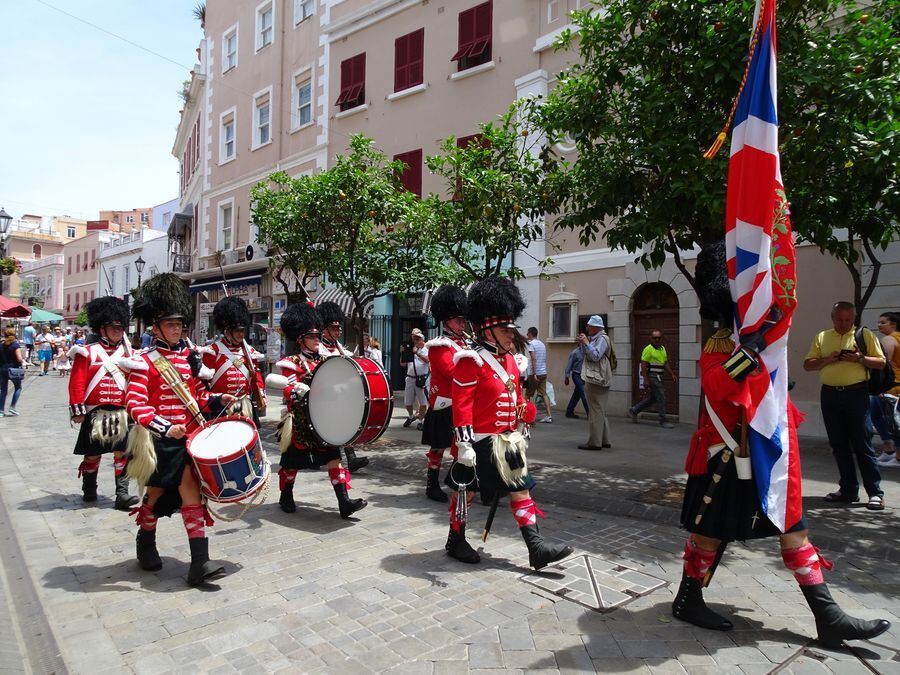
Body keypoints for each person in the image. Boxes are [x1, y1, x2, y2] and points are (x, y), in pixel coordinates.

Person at [674, 242, 889, 648]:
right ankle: (687, 599)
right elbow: (718, 384)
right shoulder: (720, 343)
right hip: (729, 457)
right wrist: (751, 352)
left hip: (763, 456)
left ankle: (828, 617)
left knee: (794, 530)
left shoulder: (759, 344)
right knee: (710, 537)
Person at [444, 276, 573, 569]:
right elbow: (461, 407)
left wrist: (523, 414)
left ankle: (536, 547)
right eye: (504, 329)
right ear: (486, 330)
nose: (509, 335)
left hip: (507, 439)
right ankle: (455, 539)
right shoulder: (470, 360)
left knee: (521, 488)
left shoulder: (512, 361)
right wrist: (463, 445)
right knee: (466, 492)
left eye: (510, 328)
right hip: (478, 441)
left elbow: (513, 397)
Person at [120, 273, 234, 586]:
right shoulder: (143, 362)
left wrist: (216, 398)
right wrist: (164, 426)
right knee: (155, 496)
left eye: (180, 324)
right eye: (170, 324)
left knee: (190, 489)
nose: (177, 329)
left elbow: (197, 398)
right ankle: (146, 539)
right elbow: (136, 405)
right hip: (160, 441)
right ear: (154, 326)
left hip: (189, 439)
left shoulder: (188, 360)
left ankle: (199, 562)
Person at [267, 302, 367, 519]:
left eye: (318, 336)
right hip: (301, 421)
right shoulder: (291, 362)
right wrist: (296, 389)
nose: (317, 340)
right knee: (291, 464)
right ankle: (286, 495)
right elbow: (287, 388)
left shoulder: (326, 360)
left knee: (334, 457)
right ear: (300, 339)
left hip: (324, 419)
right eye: (312, 337)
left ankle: (344, 502)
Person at [803, 301, 886, 510]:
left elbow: (881, 362)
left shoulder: (863, 335)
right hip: (830, 394)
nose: (843, 323)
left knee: (862, 443)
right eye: (840, 319)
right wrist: (828, 360)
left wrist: (860, 359)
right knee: (838, 445)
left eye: (848, 320)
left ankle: (875, 492)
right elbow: (808, 365)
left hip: (856, 394)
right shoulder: (822, 337)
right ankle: (848, 489)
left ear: (854, 319)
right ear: (833, 318)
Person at [67, 297, 138, 509]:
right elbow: (77, 382)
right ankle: (89, 488)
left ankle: (122, 494)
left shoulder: (130, 354)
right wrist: (77, 409)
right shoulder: (87, 352)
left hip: (120, 411)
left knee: (122, 453)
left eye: (120, 327)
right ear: (102, 328)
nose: (117, 331)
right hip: (94, 411)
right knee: (92, 454)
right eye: (112, 327)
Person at [420, 285, 469, 503]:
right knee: (438, 446)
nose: (462, 324)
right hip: (444, 403)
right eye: (458, 320)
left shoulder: (465, 343)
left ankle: (458, 481)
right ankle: (432, 485)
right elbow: (451, 371)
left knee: (464, 445)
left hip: (463, 402)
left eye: (462, 320)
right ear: (447, 320)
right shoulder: (439, 346)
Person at [317, 301, 369, 473]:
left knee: (346, 424)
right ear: (324, 329)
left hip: (339, 396)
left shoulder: (338, 348)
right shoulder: (318, 349)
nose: (338, 332)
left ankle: (351, 457)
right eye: (334, 328)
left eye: (339, 328)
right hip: (321, 397)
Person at [203, 296, 267, 426]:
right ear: (227, 331)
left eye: (242, 331)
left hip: (245, 405)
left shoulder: (249, 351)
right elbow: (204, 382)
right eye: (237, 331)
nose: (241, 335)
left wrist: (261, 394)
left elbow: (256, 376)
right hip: (221, 406)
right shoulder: (213, 351)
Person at [628, 330, 677, 428]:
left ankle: (634, 410)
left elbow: (665, 363)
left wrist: (672, 373)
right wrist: (645, 380)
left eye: (659, 338)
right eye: (655, 338)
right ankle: (663, 420)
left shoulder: (662, 349)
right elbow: (643, 364)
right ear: (651, 338)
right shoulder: (648, 349)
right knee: (661, 396)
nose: (657, 340)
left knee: (653, 398)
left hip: (660, 376)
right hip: (652, 376)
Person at [578, 316, 613, 451]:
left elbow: (596, 356)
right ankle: (604, 440)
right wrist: (583, 344)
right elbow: (584, 355)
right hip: (595, 376)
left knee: (595, 411)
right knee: (599, 410)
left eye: (590, 326)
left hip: (597, 377)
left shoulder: (603, 338)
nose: (587, 328)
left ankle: (595, 442)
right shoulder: (596, 339)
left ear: (597, 327)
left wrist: (586, 343)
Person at [874, 311, 900, 467]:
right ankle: (890, 451)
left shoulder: (889, 339)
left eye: (883, 322)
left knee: (889, 419)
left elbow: (885, 363)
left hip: (890, 385)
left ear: (893, 324)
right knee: (891, 418)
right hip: (896, 385)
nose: (879, 325)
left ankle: (895, 455)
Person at [525, 328, 552, 423]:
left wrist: (534, 373)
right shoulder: (541, 344)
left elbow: (533, 358)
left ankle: (528, 417)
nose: (527, 334)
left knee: (528, 395)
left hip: (534, 374)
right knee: (544, 394)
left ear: (531, 334)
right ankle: (549, 416)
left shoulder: (531, 344)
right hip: (543, 372)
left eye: (527, 333)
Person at [404, 328, 429, 430]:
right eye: (414, 339)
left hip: (421, 378)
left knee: (423, 402)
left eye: (418, 339)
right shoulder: (410, 349)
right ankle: (411, 416)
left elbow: (428, 360)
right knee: (407, 402)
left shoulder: (426, 350)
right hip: (410, 378)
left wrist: (417, 353)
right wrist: (403, 353)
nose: (416, 341)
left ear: (422, 340)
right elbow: (402, 364)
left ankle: (420, 421)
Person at [0, 328, 24, 417]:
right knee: (18, 387)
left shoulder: (1, 345)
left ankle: (1, 411)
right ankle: (12, 407)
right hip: (14, 370)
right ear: (14, 335)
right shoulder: (15, 345)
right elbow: (19, 358)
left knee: (3, 391)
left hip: (2, 370)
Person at [563, 340, 589, 419]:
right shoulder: (575, 353)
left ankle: (569, 411)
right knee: (583, 393)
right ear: (579, 343)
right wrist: (567, 377)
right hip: (577, 375)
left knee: (577, 394)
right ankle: (590, 414)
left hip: (584, 375)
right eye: (582, 342)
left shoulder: (588, 351)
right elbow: (569, 365)